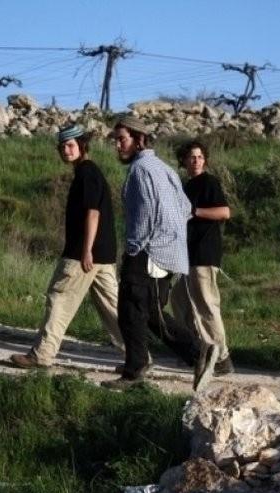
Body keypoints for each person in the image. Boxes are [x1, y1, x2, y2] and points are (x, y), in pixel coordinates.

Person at [102, 116, 218, 391]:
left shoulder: (140, 170)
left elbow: (147, 214)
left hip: (148, 252)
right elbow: (185, 208)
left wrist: (135, 248)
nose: (118, 145)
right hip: (168, 253)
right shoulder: (165, 168)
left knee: (130, 310)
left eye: (122, 139)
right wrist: (172, 241)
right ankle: (190, 355)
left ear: (139, 139)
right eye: (116, 140)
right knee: (149, 312)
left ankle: (138, 370)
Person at [10, 124, 124, 368]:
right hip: (104, 253)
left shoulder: (86, 173)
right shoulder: (89, 172)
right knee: (113, 310)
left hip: (83, 254)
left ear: (82, 145)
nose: (66, 150)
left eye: (71, 145)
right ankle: (139, 357)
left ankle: (41, 355)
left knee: (59, 299)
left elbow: (93, 213)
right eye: (62, 146)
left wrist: (86, 250)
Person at [170, 140, 234, 376]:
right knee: (179, 301)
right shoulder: (188, 186)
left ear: (205, 160)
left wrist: (194, 212)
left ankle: (222, 358)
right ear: (184, 161)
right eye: (191, 157)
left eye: (199, 157)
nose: (196, 160)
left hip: (204, 253)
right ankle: (197, 350)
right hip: (187, 255)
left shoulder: (209, 182)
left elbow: (224, 212)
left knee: (206, 305)